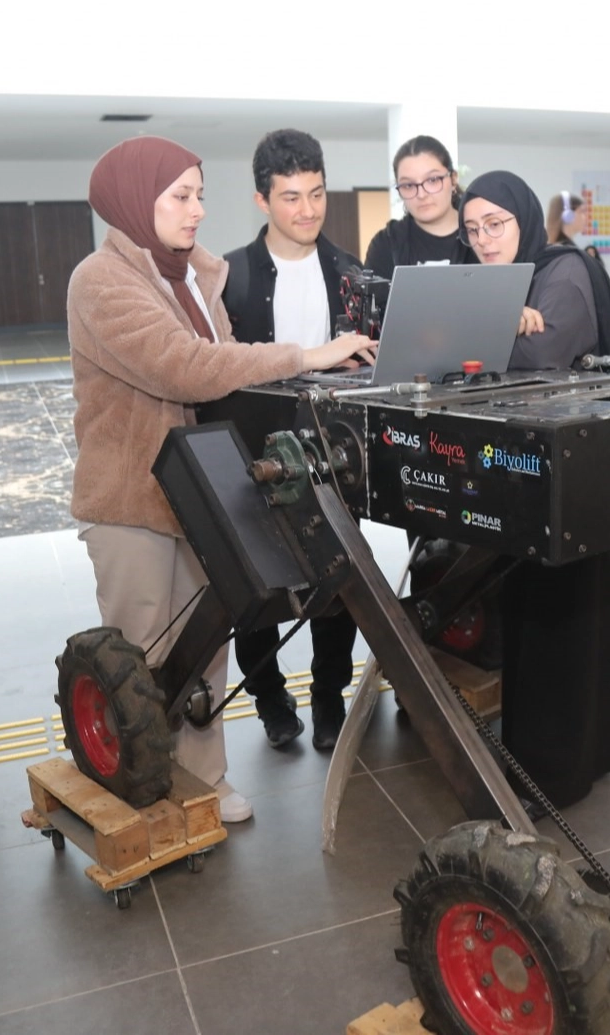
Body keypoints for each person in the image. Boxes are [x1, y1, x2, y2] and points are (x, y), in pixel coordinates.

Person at [67, 135, 374, 821]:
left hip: (199, 490)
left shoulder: (192, 277)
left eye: (199, 195)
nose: (197, 210)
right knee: (143, 658)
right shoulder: (101, 280)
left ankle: (205, 779)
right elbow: (184, 367)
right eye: (181, 196)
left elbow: (227, 362)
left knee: (205, 647)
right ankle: (146, 794)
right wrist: (308, 355)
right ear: (136, 200)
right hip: (133, 497)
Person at [459, 170, 610, 808]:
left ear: (525, 219)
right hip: (527, 476)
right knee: (537, 619)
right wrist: (498, 322)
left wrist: (481, 329)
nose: (484, 239)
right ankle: (571, 757)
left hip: (574, 481)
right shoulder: (493, 281)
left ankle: (553, 775)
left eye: (496, 224)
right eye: (472, 229)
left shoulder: (563, 271)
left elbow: (541, 358)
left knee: (564, 623)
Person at [221, 129, 364, 753]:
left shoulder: (351, 273)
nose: (308, 210)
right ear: (262, 200)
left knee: (339, 582)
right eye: (290, 197)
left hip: (332, 452)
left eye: (317, 193)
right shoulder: (229, 277)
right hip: (253, 453)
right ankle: (271, 700)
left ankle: (329, 696)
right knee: (254, 588)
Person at [363, 135, 474, 315]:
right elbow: (373, 316)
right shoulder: (386, 243)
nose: (421, 194)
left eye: (432, 180)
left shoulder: (479, 236)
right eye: (408, 185)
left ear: (453, 179)